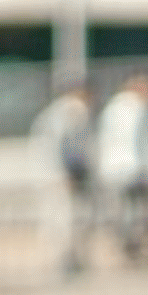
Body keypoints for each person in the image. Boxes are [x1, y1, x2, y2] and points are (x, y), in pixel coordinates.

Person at [94, 69, 148, 266]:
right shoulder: (135, 108)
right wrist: (144, 170)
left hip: (114, 169)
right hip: (130, 170)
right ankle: (134, 249)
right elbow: (134, 143)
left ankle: (131, 249)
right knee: (136, 213)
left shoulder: (115, 107)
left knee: (125, 213)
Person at [28, 79, 98, 278]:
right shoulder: (68, 111)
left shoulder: (64, 112)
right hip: (56, 176)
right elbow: (57, 145)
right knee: (62, 221)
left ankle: (66, 261)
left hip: (57, 175)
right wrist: (62, 173)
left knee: (63, 220)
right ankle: (60, 263)